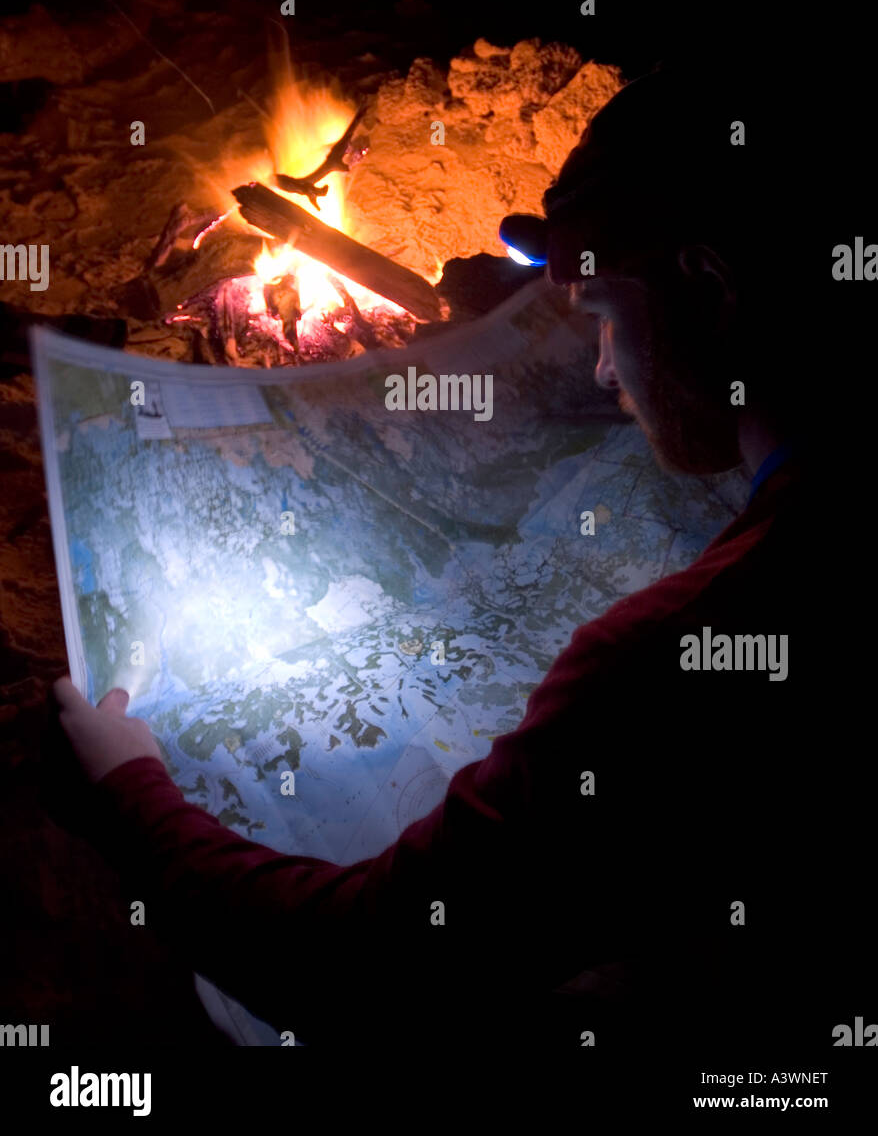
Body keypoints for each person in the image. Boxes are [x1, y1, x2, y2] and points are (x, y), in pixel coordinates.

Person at [52, 65, 872, 1056]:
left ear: (710, 290)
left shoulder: (660, 665)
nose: (602, 367)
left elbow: (355, 968)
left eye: (603, 316)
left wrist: (128, 788)